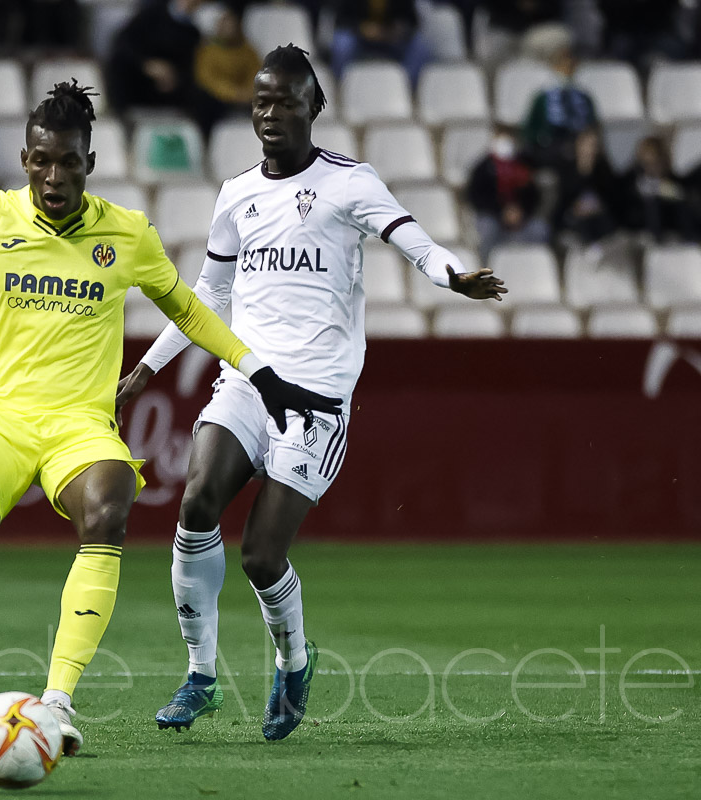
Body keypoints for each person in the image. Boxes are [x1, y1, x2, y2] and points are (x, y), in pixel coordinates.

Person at [0, 81, 342, 758]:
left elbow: (190, 310)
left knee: (109, 502)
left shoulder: (126, 234)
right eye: (42, 161)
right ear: (24, 159)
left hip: (79, 424)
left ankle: (56, 703)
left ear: (89, 163)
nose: (54, 175)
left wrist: (260, 371)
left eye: (68, 162)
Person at [114, 45, 506, 742]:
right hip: (246, 378)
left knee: (262, 556)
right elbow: (209, 295)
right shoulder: (236, 194)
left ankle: (293, 661)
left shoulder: (350, 182)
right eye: (262, 100)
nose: (271, 113)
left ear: (314, 107)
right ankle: (200, 677)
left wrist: (452, 277)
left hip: (317, 396)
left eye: (286, 100)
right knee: (196, 500)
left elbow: (411, 239)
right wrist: (147, 367)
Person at [107, 0, 224, 134]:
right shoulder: (151, 14)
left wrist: (174, 77)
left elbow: (191, 68)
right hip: (139, 82)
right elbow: (123, 43)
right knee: (119, 65)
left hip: (173, 89)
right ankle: (123, 127)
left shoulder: (194, 32)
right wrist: (147, 65)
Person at [466, 126, 549, 256]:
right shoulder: (483, 168)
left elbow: (533, 196)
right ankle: (486, 267)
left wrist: (521, 211)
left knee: (540, 229)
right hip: (493, 216)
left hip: (520, 218)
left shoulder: (524, 165)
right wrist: (501, 212)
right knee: (488, 229)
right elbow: (475, 196)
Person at [521, 42, 597, 168]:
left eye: (571, 66)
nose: (567, 70)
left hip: (580, 146)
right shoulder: (542, 98)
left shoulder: (585, 97)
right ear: (555, 67)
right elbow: (530, 130)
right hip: (551, 146)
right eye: (563, 65)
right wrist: (542, 139)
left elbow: (592, 126)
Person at [330, 0, 433, 87]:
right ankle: (340, 86)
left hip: (392, 39)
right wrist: (362, 28)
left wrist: (398, 30)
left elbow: (411, 21)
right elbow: (341, 20)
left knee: (420, 46)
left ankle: (408, 88)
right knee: (342, 43)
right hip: (360, 39)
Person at [553, 127, 621, 245]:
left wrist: (592, 170)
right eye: (588, 145)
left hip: (599, 214)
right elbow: (566, 195)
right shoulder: (567, 168)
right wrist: (584, 170)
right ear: (579, 145)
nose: (591, 149)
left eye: (594, 145)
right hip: (574, 214)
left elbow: (610, 194)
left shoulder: (603, 168)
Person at [621, 135, 694, 243]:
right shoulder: (631, 183)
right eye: (648, 163)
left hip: (675, 237)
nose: (653, 167)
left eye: (657, 162)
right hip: (642, 235)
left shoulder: (672, 182)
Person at [194, 4, 260, 115]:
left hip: (246, 100)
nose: (228, 27)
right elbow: (208, 80)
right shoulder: (208, 52)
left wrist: (247, 93)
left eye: (231, 22)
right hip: (219, 101)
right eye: (224, 23)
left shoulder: (248, 50)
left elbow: (256, 73)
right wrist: (234, 94)